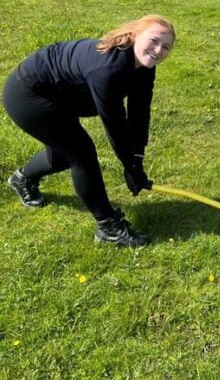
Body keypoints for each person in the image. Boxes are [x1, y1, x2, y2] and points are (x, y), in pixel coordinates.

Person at [2, 14, 175, 246]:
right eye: (154, 40)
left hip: (60, 95)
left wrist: (137, 158)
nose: (158, 50)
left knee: (64, 155)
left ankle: (21, 179)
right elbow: (115, 122)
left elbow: (139, 112)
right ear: (134, 34)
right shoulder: (108, 69)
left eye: (166, 47)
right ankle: (108, 227)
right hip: (28, 94)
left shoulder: (144, 65)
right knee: (82, 154)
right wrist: (129, 166)